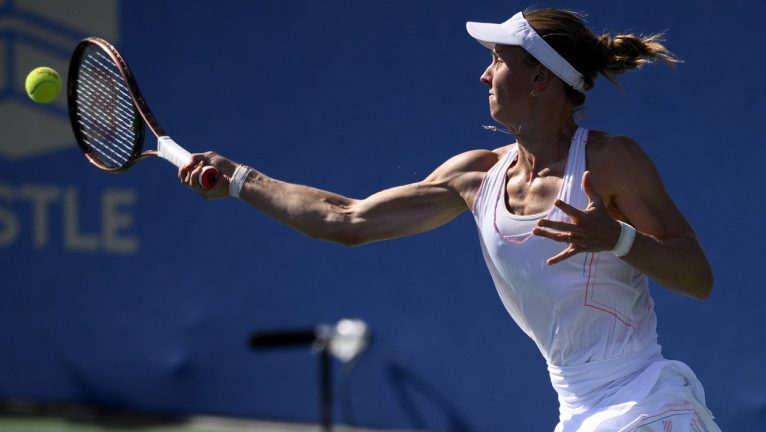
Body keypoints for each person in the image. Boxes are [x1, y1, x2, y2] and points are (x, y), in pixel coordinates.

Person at [179, 8, 719, 432]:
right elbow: (345, 219)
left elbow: (697, 277)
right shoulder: (474, 177)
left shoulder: (610, 163)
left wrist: (619, 239)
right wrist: (241, 180)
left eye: (498, 60)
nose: (484, 72)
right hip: (577, 411)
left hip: (647, 402)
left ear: (539, 79)